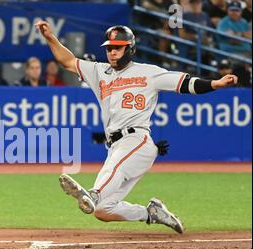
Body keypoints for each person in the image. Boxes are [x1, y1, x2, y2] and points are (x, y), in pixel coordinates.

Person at [35, 21, 238, 233]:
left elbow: (184, 83)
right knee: (102, 210)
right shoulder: (99, 72)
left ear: (130, 48)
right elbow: (67, 61)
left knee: (108, 180)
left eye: (117, 47)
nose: (112, 52)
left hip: (136, 140)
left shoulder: (149, 73)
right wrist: (50, 37)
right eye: (109, 48)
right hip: (115, 146)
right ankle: (151, 213)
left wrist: (215, 84)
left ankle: (93, 194)